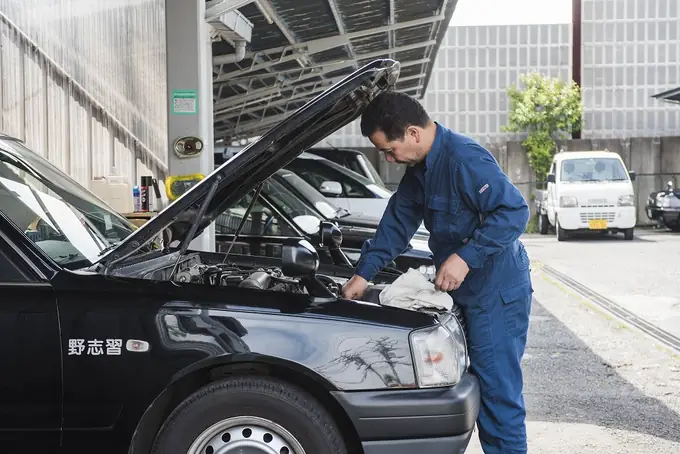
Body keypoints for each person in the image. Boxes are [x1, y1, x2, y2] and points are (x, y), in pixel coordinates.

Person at [342, 91, 533, 454]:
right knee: (474, 387)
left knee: (498, 393)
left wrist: (465, 257)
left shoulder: (464, 158)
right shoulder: (420, 171)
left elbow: (514, 212)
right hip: (465, 291)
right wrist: (363, 275)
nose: (388, 158)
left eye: (388, 149)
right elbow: (396, 224)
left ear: (413, 133)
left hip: (496, 290)